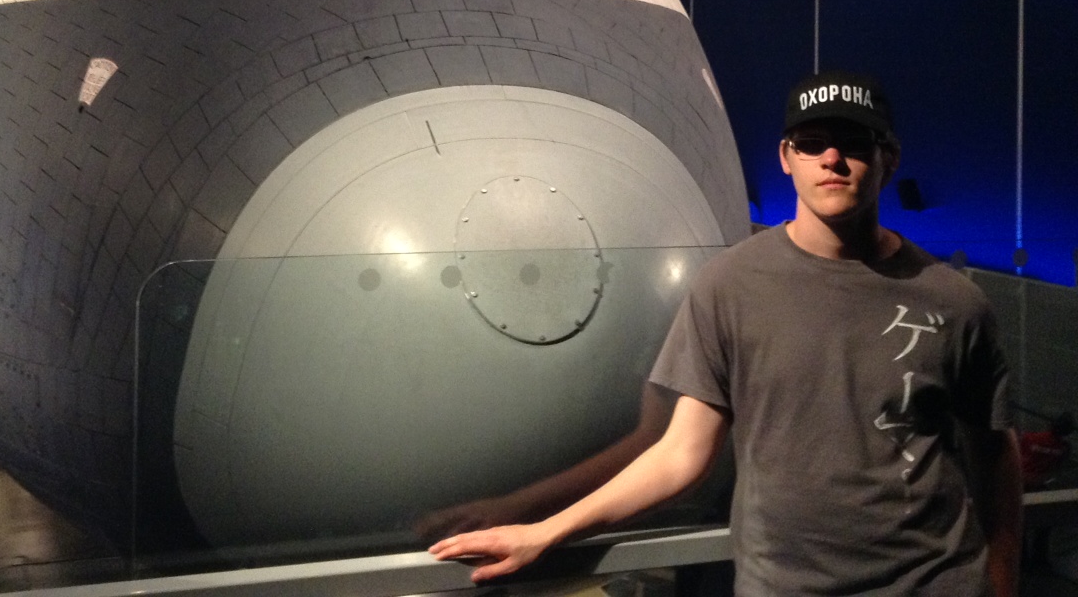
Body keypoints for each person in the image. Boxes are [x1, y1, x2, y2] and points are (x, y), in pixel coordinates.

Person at [430, 70, 1022, 596]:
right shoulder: (730, 285)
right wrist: (542, 529)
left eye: (854, 144)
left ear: (888, 157)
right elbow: (679, 455)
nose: (832, 159)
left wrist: (1003, 584)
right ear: (786, 156)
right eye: (812, 143)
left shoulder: (953, 302)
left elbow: (994, 457)